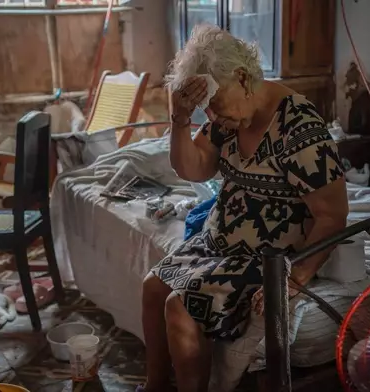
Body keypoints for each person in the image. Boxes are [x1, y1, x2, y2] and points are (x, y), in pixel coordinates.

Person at [138, 24, 349, 392]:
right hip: (220, 242)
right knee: (152, 287)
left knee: (179, 307)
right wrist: (180, 119)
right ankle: (154, 386)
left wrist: (294, 279)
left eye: (214, 107)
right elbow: (192, 168)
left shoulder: (297, 126)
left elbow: (334, 214)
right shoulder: (229, 114)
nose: (214, 119)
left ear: (242, 78)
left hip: (268, 258)